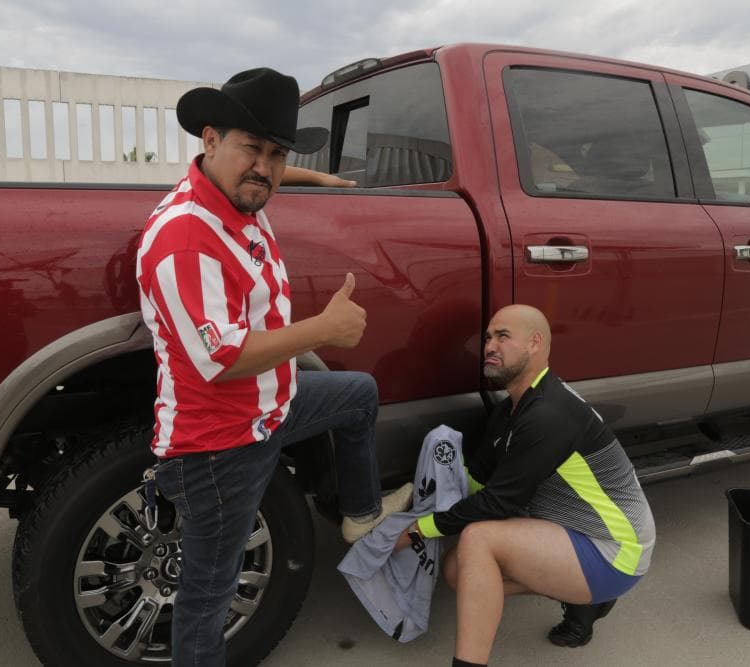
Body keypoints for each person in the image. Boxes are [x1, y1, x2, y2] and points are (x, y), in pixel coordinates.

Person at [136, 67, 411, 666]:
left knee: (357, 394)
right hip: (220, 447)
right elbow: (220, 358)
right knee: (207, 599)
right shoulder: (186, 238)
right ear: (209, 140)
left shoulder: (240, 194)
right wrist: (327, 330)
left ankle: (359, 517)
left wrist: (328, 179)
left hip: (272, 406)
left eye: (277, 154)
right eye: (251, 148)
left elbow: (267, 174)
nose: (265, 167)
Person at [396, 305, 656, 667]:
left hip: (615, 549)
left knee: (479, 540)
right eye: (488, 337)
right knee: (460, 573)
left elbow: (498, 502)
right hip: (570, 529)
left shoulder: (548, 414)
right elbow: (479, 480)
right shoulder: (512, 409)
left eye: (503, 336)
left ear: (535, 344)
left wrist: (417, 530)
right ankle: (585, 597)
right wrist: (417, 493)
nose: (489, 345)